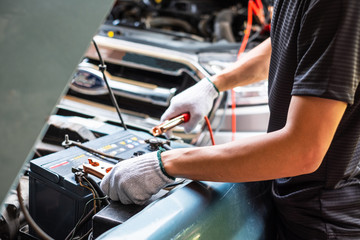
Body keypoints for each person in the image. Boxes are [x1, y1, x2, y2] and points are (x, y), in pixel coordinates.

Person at [100, 0, 360, 239]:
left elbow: (303, 149)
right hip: (293, 202)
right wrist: (213, 85)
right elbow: (290, 40)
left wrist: (165, 164)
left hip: (325, 223)